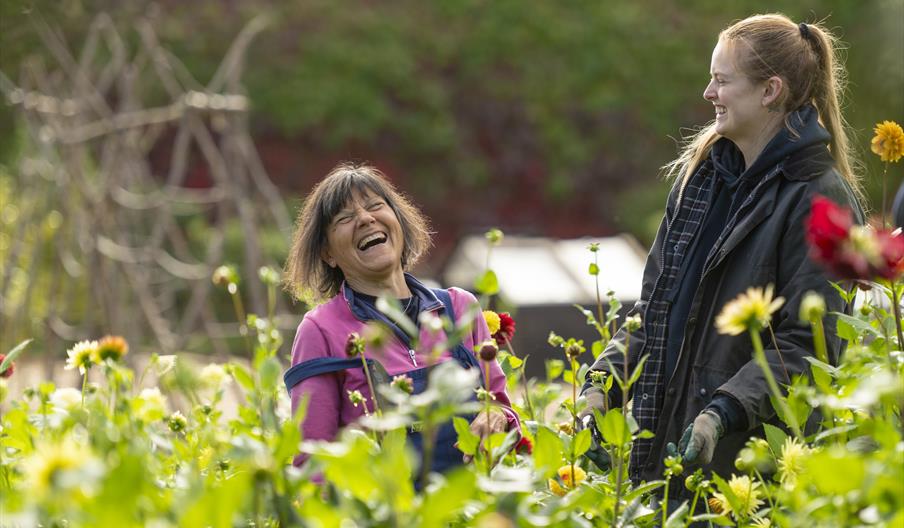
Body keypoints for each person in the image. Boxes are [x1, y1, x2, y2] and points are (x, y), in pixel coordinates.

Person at [579, 13, 865, 500]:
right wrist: (598, 388)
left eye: (721, 80)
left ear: (769, 91)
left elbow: (809, 346)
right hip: (663, 467)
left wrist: (722, 412)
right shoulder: (699, 181)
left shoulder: (821, 200)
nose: (708, 93)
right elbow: (655, 310)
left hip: (751, 480)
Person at [283, 162, 519, 478]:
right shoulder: (321, 330)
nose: (366, 219)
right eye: (345, 218)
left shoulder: (460, 309)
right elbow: (312, 462)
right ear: (327, 254)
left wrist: (497, 417)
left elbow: (505, 412)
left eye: (375, 206)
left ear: (398, 222)